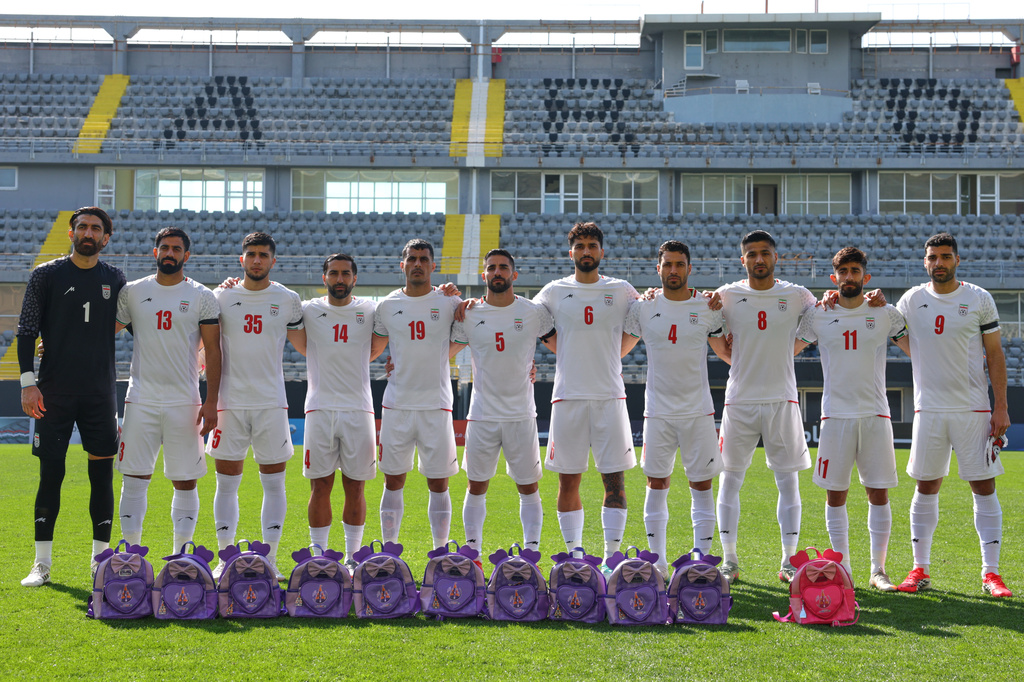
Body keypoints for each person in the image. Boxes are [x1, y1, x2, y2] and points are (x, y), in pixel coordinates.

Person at [894, 233, 1012, 597]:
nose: (939, 263)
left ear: (957, 260)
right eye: (933, 257)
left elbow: (994, 355)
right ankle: (920, 569)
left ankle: (991, 574)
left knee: (983, 486)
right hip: (928, 408)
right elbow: (887, 326)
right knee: (926, 485)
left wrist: (1001, 405)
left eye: (945, 256)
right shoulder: (911, 299)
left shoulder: (978, 298)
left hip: (973, 408)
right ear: (925, 261)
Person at [18, 206, 126, 587]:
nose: (89, 232)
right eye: (82, 226)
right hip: (53, 393)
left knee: (101, 478)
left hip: (100, 394)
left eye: (96, 228)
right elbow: (27, 329)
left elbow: (135, 314)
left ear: (106, 237)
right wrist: (27, 382)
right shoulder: (45, 274)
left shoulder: (115, 277)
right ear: (71, 232)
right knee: (51, 474)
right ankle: (41, 564)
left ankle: (101, 562)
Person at [794, 247, 908, 591]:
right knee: (835, 495)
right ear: (834, 278)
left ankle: (878, 570)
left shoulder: (886, 313)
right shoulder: (817, 315)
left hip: (875, 414)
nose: (849, 277)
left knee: (879, 493)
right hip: (835, 418)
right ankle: (842, 569)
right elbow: (786, 349)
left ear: (865, 277)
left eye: (855, 271)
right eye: (842, 271)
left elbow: (919, 348)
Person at [532, 222, 640, 573]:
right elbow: (523, 320)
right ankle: (574, 556)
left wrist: (614, 355)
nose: (586, 251)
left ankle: (611, 559)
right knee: (568, 480)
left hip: (610, 397)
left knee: (615, 481)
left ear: (601, 252)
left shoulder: (622, 291)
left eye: (592, 245)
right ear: (571, 253)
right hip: (568, 399)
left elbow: (642, 322)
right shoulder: (553, 291)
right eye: (580, 246)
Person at [713, 230, 816, 584]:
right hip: (739, 400)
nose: (759, 259)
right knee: (730, 479)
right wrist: (733, 357)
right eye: (752, 254)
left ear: (776, 257)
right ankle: (729, 560)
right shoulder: (726, 296)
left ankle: (789, 561)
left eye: (765, 253)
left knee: (788, 482)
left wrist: (787, 354)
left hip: (782, 400)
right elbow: (711, 331)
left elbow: (823, 321)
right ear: (743, 260)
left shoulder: (798, 296)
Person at [112, 227, 221, 555]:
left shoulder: (202, 295)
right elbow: (102, 332)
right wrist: (59, 343)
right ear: (154, 252)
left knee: (186, 479)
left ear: (186, 255)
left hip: (184, 401)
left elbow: (214, 351)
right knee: (133, 477)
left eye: (176, 249)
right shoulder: (131, 292)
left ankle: (181, 557)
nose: (169, 253)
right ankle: (130, 557)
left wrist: (212, 401)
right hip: (140, 398)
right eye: (164, 248)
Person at [624, 240, 728, 577]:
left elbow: (728, 352)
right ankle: (659, 563)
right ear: (658, 269)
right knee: (656, 484)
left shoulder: (709, 307)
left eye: (679, 264)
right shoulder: (643, 307)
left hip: (698, 412)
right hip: (658, 413)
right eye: (667, 264)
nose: (673, 270)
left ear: (689, 268)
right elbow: (616, 351)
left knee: (701, 486)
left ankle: (702, 563)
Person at [207, 232, 304, 580]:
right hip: (229, 404)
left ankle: (272, 558)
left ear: (273, 261)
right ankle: (224, 557)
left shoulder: (288, 299)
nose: (257, 260)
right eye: (251, 254)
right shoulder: (221, 295)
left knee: (274, 485)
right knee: (226, 484)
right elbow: (204, 342)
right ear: (241, 259)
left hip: (271, 404)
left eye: (263, 255)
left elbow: (310, 344)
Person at [450, 249, 553, 554]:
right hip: (482, 415)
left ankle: (531, 552)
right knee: (476, 485)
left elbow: (564, 345)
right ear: (484, 275)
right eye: (492, 268)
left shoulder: (534, 312)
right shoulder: (468, 314)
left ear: (513, 274)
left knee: (529, 487)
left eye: (503, 268)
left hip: (521, 414)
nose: (497, 272)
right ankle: (474, 554)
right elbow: (440, 353)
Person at [290, 253, 387, 566]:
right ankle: (318, 556)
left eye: (346, 274)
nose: (340, 279)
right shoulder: (308, 310)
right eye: (334, 273)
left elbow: (381, 344)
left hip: (359, 409)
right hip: (319, 409)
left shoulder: (370, 310)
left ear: (355, 279)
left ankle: (353, 557)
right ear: (324, 278)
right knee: (320, 485)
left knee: (355, 487)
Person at [372, 239, 463, 551]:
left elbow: (468, 331)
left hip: (436, 406)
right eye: (412, 259)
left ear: (433, 266)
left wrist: (440, 356)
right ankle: (389, 551)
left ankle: (440, 551)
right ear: (403, 265)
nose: (417, 264)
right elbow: (372, 349)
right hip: (397, 405)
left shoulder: (449, 303)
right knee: (393, 480)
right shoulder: (385, 306)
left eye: (424, 259)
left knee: (439, 483)